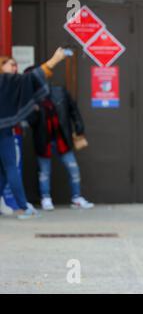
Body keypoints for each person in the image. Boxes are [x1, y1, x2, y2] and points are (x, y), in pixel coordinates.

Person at [0, 48, 67, 219]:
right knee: (10, 168)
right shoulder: (7, 81)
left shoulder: (7, 82)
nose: (15, 68)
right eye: (11, 64)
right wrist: (54, 60)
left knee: (3, 171)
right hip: (3, 132)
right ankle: (23, 207)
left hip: (4, 130)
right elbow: (31, 78)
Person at [26, 77, 94, 211]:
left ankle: (76, 198)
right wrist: (34, 110)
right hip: (43, 139)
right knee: (44, 172)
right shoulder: (31, 98)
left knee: (73, 169)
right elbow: (31, 122)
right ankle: (45, 198)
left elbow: (73, 109)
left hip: (61, 138)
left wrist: (79, 125)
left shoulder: (60, 91)